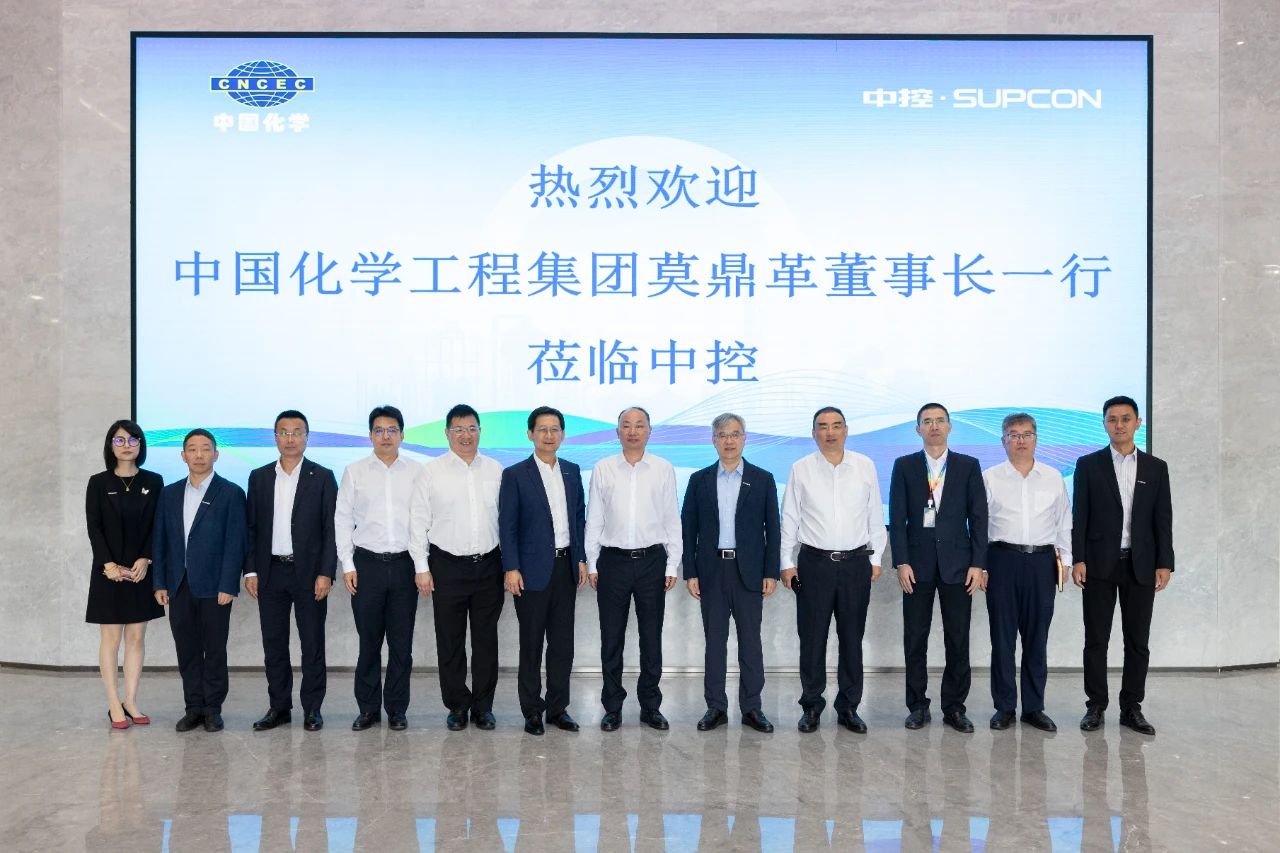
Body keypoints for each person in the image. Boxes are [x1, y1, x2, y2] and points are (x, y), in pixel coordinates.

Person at [780, 406, 887, 734]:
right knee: (812, 638)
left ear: (846, 430)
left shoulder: (865, 466)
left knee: (852, 638)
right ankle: (811, 706)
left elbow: (874, 515)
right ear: (813, 433)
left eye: (836, 425)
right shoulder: (801, 469)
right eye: (823, 426)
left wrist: (876, 559)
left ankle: (849, 707)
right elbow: (790, 518)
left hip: (856, 564)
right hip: (814, 564)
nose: (830, 432)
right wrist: (786, 562)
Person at [1072, 395, 1174, 735]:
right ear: (1104, 424)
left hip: (1141, 564)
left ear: (1138, 423)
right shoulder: (1089, 465)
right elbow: (1080, 515)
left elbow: (1163, 518)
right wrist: (1078, 558)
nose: (1119, 425)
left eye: (1125, 418)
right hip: (1099, 564)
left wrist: (1165, 562)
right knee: (1096, 640)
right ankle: (1095, 705)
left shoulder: (1156, 467)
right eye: (1112, 419)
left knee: (1137, 641)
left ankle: (1132, 707)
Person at [888, 403, 988, 733]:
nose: (934, 426)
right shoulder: (904, 466)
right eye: (927, 421)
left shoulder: (968, 465)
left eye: (940, 420)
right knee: (915, 639)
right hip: (916, 567)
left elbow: (979, 518)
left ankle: (955, 707)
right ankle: (917, 706)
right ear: (918, 429)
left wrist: (978, 563)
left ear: (949, 427)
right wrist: (901, 561)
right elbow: (897, 520)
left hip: (959, 567)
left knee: (957, 639)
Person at [680, 413, 780, 733]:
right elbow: (688, 529)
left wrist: (771, 571)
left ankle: (752, 707)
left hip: (749, 571)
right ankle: (716, 707)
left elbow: (773, 529)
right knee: (715, 641)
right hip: (711, 570)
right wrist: (690, 571)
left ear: (744, 438)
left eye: (735, 434)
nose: (729, 440)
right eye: (722, 435)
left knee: (751, 641)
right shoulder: (699, 480)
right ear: (713, 440)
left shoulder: (762, 479)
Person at [586, 406, 682, 731]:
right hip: (612, 562)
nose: (632, 431)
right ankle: (612, 707)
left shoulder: (663, 469)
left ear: (649, 431)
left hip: (652, 562)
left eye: (639, 425)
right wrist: (593, 561)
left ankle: (650, 706)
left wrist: (672, 563)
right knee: (611, 638)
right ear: (617, 432)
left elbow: (671, 518)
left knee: (651, 638)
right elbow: (594, 518)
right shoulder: (603, 468)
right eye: (626, 425)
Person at [409, 404, 505, 732]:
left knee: (486, 641)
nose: (466, 435)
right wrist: (421, 567)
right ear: (447, 433)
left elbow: (506, 521)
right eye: (459, 429)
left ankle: (483, 707)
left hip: (489, 565)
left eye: (472, 429)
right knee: (450, 641)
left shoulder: (495, 470)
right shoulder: (431, 472)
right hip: (446, 566)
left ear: (480, 431)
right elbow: (418, 522)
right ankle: (457, 706)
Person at [244, 410, 338, 732]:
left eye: (297, 432)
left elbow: (331, 529)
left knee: (312, 644)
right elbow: (251, 528)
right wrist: (250, 571)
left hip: (309, 574)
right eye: (283, 432)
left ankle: (312, 709)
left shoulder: (322, 476)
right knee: (274, 644)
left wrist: (326, 572)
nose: (290, 438)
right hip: (270, 572)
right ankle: (279, 707)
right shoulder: (259, 477)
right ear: (275, 438)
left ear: (307, 438)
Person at [498, 406, 588, 735]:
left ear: (563, 434)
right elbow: (507, 526)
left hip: (566, 567)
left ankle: (558, 708)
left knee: (562, 644)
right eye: (542, 429)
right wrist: (511, 567)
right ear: (530, 434)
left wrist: (580, 558)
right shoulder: (515, 474)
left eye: (555, 429)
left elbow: (578, 518)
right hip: (531, 570)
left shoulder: (572, 471)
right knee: (532, 643)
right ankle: (532, 710)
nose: (549, 435)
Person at [152, 429, 247, 733]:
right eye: (192, 449)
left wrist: (228, 584)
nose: (199, 455)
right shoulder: (169, 494)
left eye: (205, 449)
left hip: (214, 587)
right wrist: (160, 582)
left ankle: (213, 709)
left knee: (215, 649)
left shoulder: (231, 493)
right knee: (187, 649)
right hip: (178, 585)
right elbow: (160, 541)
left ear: (215, 454)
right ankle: (193, 707)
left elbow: (236, 543)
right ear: (183, 456)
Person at [982, 413, 1071, 732]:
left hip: (1041, 564)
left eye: (1027, 434)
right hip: (1001, 561)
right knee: (1002, 638)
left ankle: (1034, 707)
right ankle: (1004, 706)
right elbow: (978, 525)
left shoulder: (1053, 477)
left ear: (1036, 439)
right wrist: (981, 565)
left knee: (1037, 638)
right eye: (1014, 435)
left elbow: (1064, 523)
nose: (1021, 440)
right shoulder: (989, 477)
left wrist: (1066, 562)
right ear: (1003, 440)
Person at [336, 405, 423, 732]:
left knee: (401, 645)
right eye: (379, 430)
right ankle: (368, 709)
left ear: (402, 435)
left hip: (404, 566)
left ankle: (397, 709)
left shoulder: (417, 472)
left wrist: (422, 565)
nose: (386, 436)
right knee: (369, 643)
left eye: (392, 430)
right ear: (370, 435)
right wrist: (347, 563)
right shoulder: (355, 471)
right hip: (367, 565)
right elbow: (342, 519)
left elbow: (422, 521)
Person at [85, 419, 165, 730]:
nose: (127, 445)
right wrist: (108, 565)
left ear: (141, 445)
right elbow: (94, 527)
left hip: (140, 572)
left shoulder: (154, 481)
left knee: (136, 637)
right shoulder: (98, 482)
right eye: (119, 440)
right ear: (110, 445)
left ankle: (130, 701)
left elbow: (157, 525)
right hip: (107, 573)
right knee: (111, 638)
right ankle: (113, 703)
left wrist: (146, 559)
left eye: (133, 440)